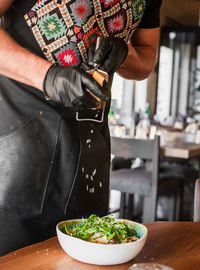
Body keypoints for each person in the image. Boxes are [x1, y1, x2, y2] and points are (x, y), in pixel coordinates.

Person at [0, 0, 162, 256]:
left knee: (89, 254)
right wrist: (48, 76)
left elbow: (147, 60)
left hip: (90, 147)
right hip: (18, 149)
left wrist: (123, 51)